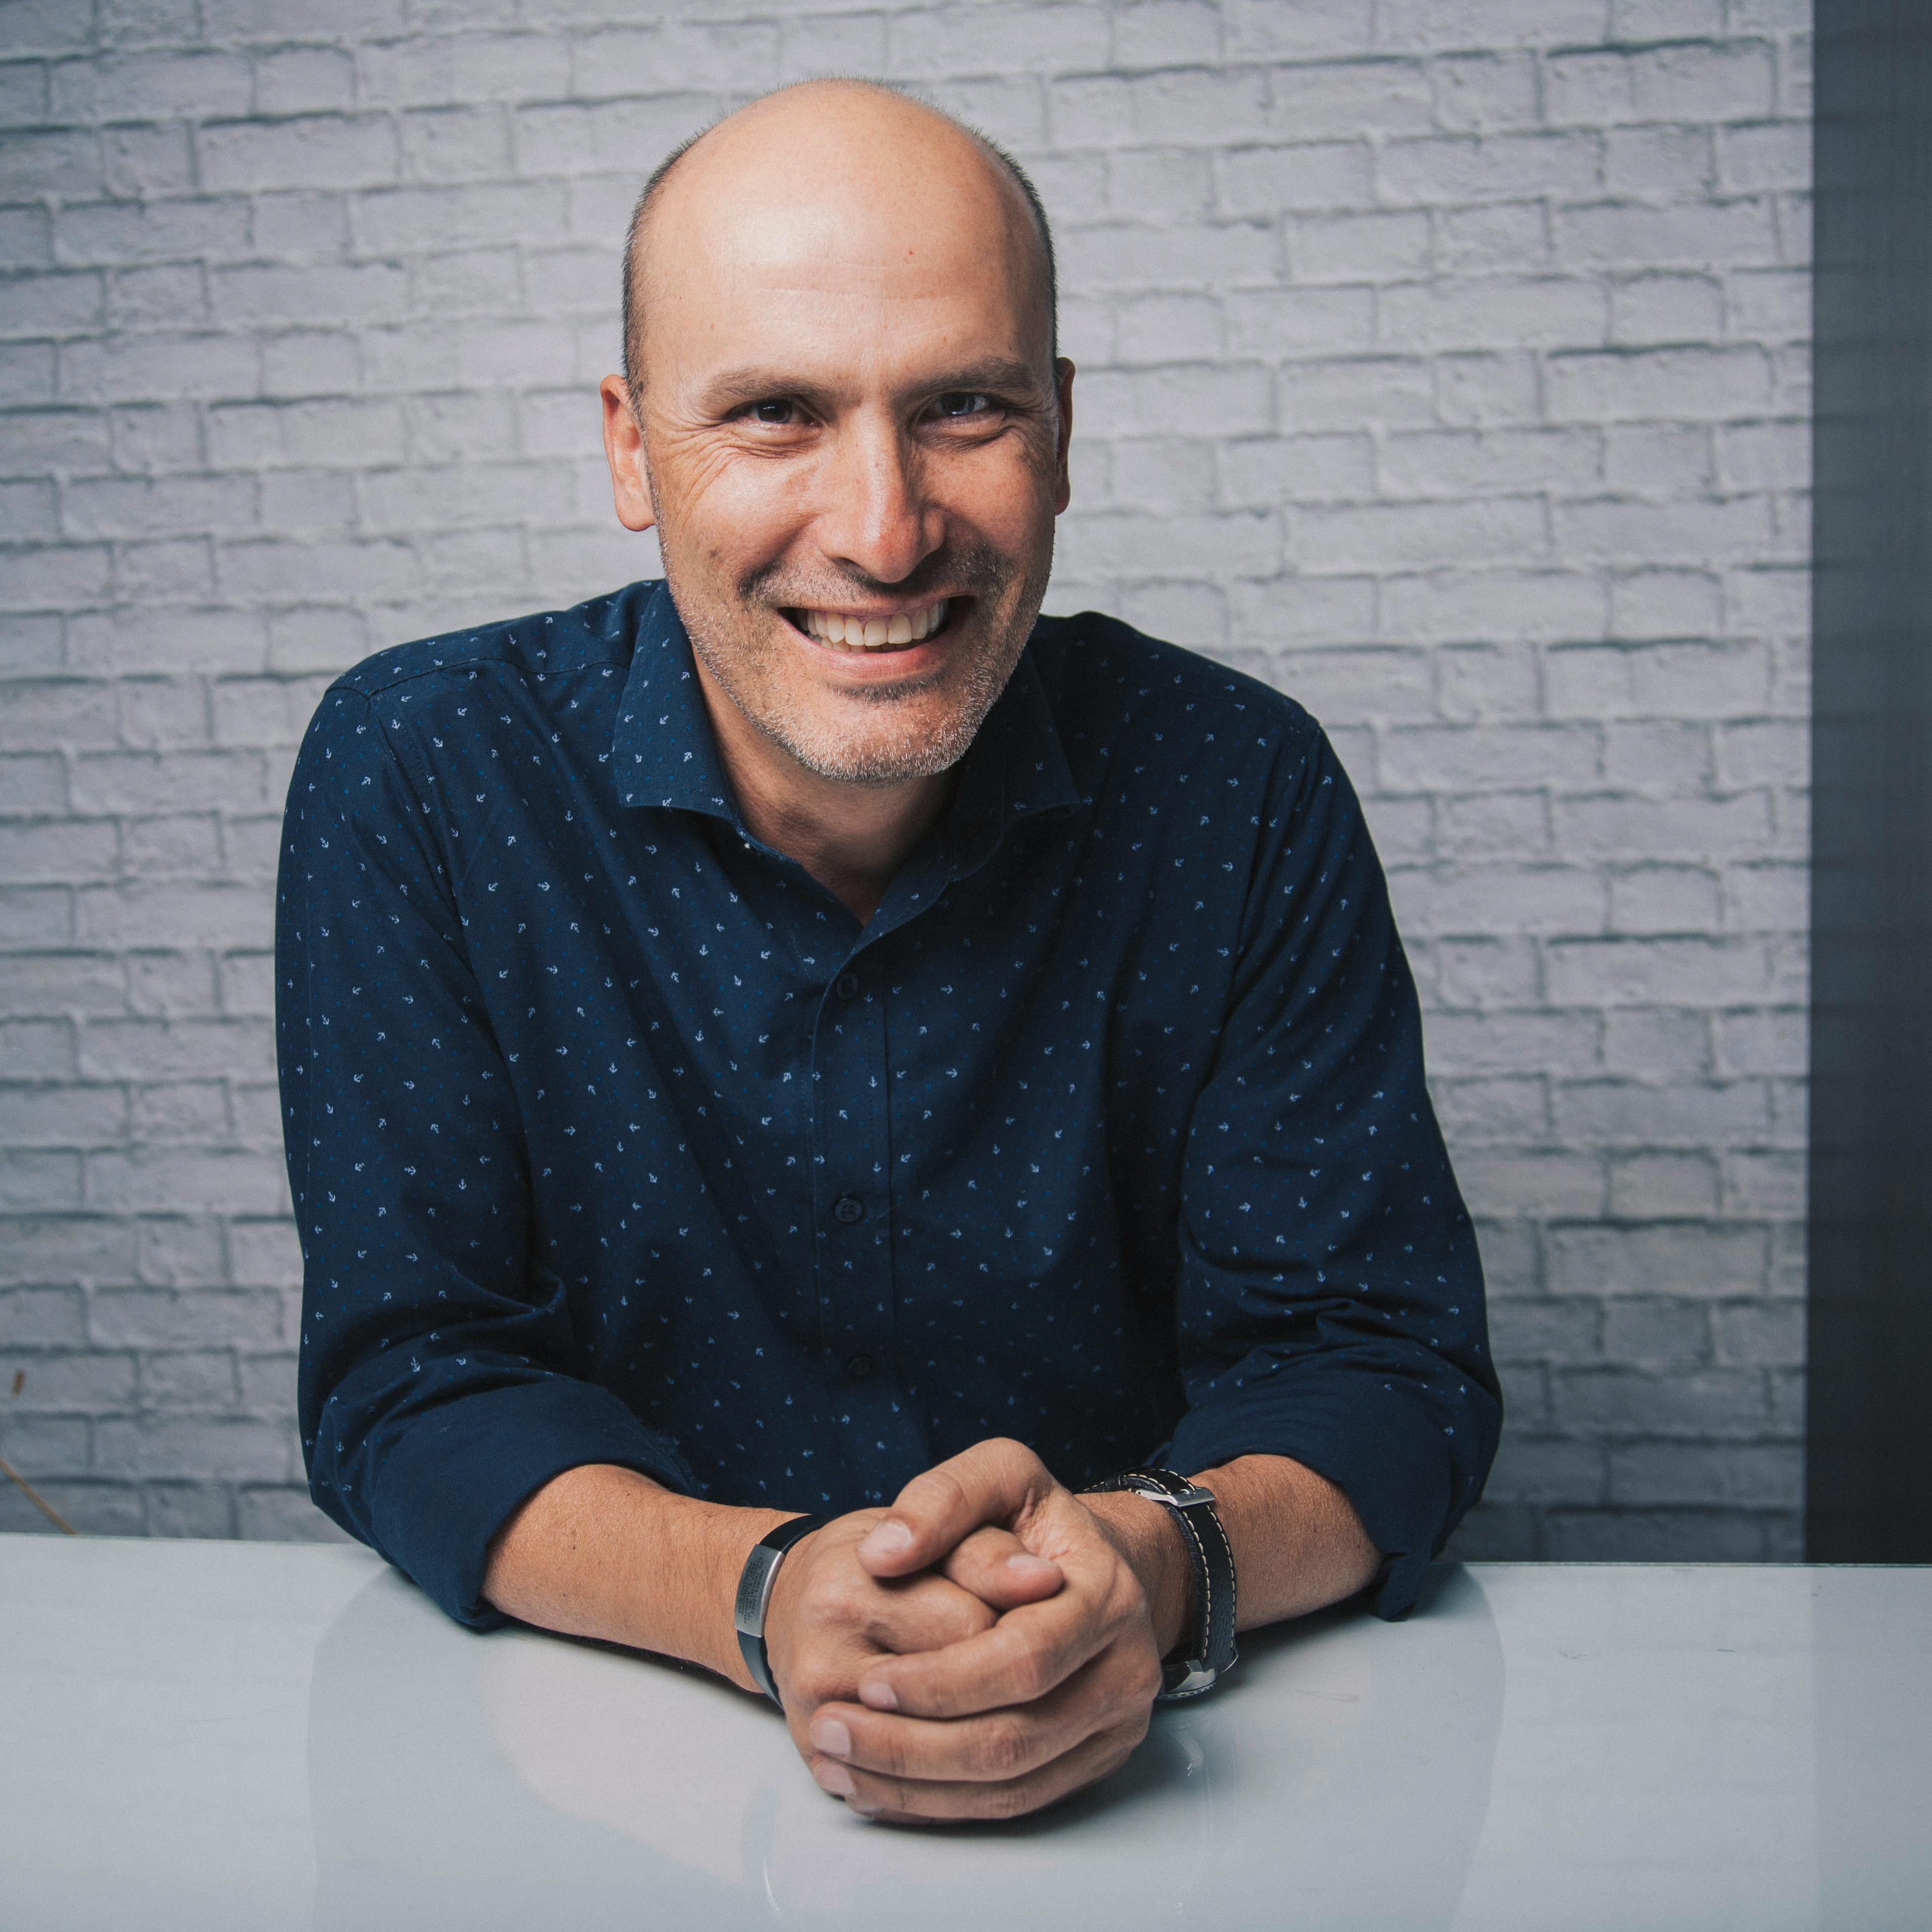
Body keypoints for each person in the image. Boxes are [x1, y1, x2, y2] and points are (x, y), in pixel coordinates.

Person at [277, 79, 1500, 1825]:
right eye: (774, 414)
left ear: (1060, 428)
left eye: (964, 409)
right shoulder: (421, 773)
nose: (882, 528)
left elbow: (1381, 1366)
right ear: (632, 448)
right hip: (594, 1798)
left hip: (1170, 1801)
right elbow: (412, 1377)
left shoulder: (1241, 784)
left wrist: (1146, 1574)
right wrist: (767, 1592)